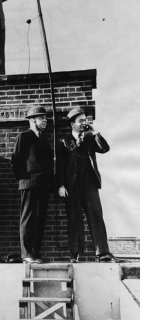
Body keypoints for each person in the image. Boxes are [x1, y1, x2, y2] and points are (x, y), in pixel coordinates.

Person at [56, 107, 122, 263]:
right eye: (80, 121)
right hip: (72, 187)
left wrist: (95, 132)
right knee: (74, 220)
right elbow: (59, 167)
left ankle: (103, 253)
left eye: (85, 120)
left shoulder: (90, 139)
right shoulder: (63, 142)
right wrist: (60, 186)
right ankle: (74, 255)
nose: (84, 123)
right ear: (72, 124)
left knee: (96, 217)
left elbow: (105, 148)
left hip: (90, 185)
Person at [11, 106, 53, 264]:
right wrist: (24, 179)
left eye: (46, 118)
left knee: (40, 219)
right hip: (29, 184)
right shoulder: (24, 136)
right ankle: (27, 254)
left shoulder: (43, 139)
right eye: (42, 118)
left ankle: (36, 253)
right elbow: (15, 161)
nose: (45, 121)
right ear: (32, 120)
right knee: (28, 219)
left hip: (43, 185)